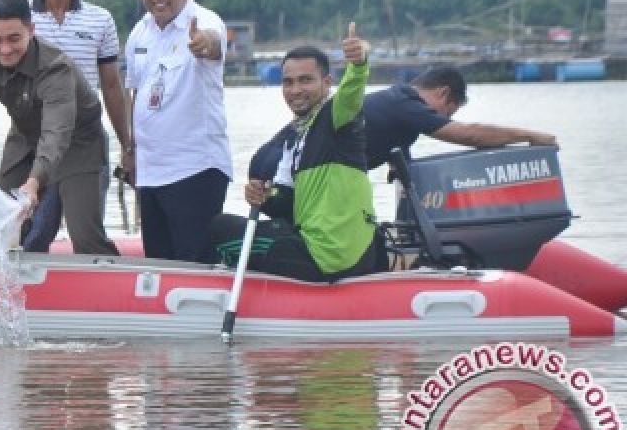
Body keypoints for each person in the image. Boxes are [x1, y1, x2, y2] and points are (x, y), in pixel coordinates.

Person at [0, 0, 119, 256]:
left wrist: (35, 182)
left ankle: (111, 284)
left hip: (78, 142)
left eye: (15, 38)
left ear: (31, 30)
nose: (5, 49)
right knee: (1, 221)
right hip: (25, 136)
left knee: (84, 233)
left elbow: (55, 135)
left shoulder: (56, 68)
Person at [208, 25, 380, 282]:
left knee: (219, 229)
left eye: (305, 80)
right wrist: (262, 196)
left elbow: (352, 91)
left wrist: (359, 62)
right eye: (288, 82)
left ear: (327, 83)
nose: (295, 90)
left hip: (331, 255)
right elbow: (289, 206)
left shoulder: (336, 116)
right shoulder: (297, 137)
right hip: (313, 242)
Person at [2, 0, 132, 253]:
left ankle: (110, 290)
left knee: (86, 235)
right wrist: (5, 10)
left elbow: (112, 87)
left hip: (83, 138)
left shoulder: (100, 20)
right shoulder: (20, 18)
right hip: (35, 137)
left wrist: (128, 145)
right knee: (31, 234)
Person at [123, 0, 233, 262]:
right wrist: (130, 151)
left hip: (195, 170)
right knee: (159, 263)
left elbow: (212, 43)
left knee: (195, 264)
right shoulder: (139, 32)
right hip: (151, 172)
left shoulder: (207, 22)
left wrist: (203, 44)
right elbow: (136, 95)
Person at [363, 65, 558, 170]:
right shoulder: (406, 105)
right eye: (448, 114)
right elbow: (469, 135)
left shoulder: (398, 106)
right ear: (443, 93)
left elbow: (401, 168)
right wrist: (530, 136)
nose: (442, 119)